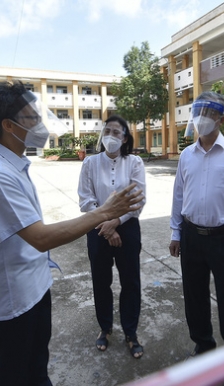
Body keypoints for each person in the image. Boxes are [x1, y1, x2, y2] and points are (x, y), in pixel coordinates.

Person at [0, 82, 143, 386]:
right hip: (11, 303)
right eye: (32, 118)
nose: (41, 124)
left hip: (33, 290)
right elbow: (41, 237)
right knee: (16, 376)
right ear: (8, 125)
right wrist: (104, 213)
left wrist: (113, 215)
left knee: (35, 372)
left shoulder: (14, 166)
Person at [169, 91, 224, 386]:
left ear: (221, 119)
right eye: (198, 113)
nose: (201, 119)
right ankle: (204, 346)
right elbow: (179, 195)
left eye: (208, 114)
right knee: (194, 297)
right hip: (192, 235)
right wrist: (175, 232)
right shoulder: (186, 154)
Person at [78, 115, 146, 359]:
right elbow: (86, 199)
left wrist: (116, 222)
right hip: (97, 228)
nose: (111, 136)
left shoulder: (134, 162)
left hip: (126, 227)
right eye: (107, 131)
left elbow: (138, 199)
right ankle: (105, 328)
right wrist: (105, 225)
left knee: (131, 282)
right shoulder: (90, 163)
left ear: (125, 138)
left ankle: (131, 332)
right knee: (100, 280)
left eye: (116, 132)